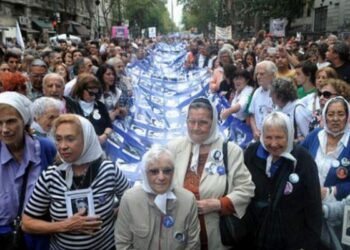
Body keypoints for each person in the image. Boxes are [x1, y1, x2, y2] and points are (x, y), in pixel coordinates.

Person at [22, 114, 130, 250]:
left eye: (70, 139)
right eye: (58, 139)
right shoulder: (50, 176)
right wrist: (64, 226)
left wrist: (110, 215)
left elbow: (130, 202)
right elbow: (27, 223)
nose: (62, 146)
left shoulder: (109, 170)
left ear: (87, 140)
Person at [167, 97, 255, 250]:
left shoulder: (230, 151)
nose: (195, 127)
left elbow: (246, 189)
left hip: (215, 235)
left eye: (203, 122)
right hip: (181, 235)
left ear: (213, 122)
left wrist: (219, 204)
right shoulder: (174, 149)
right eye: (191, 121)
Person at [244, 111, 322, 249]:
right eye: (268, 137)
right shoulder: (252, 153)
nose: (273, 144)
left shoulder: (303, 160)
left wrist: (309, 244)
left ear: (289, 135)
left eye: (279, 137)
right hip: (255, 236)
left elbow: (314, 205)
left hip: (291, 239)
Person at [0, 92, 56, 250]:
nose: (4, 129)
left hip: (39, 236)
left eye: (11, 121)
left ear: (24, 121)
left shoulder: (45, 149)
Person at [115, 145, 200, 249]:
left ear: (173, 172)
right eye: (154, 171)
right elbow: (123, 243)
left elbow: (193, 244)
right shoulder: (129, 199)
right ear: (145, 173)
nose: (161, 177)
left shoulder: (188, 200)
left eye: (167, 171)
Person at [301, 97, 350, 248]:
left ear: (347, 117)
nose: (335, 119)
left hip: (340, 212)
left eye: (341, 114)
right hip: (310, 208)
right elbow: (298, 162)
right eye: (330, 114)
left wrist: (332, 190)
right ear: (324, 116)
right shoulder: (315, 136)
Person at [71, 73, 113, 144]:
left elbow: (109, 125)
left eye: (96, 94)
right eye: (91, 93)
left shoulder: (100, 106)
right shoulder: (72, 106)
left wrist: (104, 136)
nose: (93, 97)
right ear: (81, 90)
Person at [248, 60, 276, 140]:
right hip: (259, 137)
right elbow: (252, 115)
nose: (258, 77)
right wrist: (255, 130)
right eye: (257, 74)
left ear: (273, 75)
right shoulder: (257, 92)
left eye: (262, 74)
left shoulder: (279, 92)